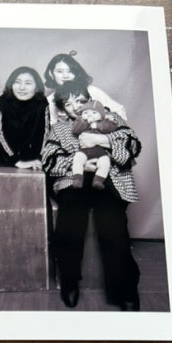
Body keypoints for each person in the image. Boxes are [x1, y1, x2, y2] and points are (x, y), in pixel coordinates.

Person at [41, 81, 142, 310]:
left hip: (108, 180)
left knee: (113, 223)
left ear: (89, 101)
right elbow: (49, 161)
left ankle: (124, 288)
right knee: (70, 219)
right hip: (74, 180)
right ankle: (69, 281)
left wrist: (102, 140)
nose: (76, 107)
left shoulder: (112, 120)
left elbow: (133, 146)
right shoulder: (60, 129)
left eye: (79, 100)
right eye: (68, 104)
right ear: (62, 110)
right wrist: (78, 164)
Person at [43, 51, 126, 126]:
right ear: (51, 73)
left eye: (70, 71)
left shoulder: (92, 91)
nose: (65, 76)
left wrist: (107, 131)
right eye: (59, 71)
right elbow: (51, 127)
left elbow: (119, 110)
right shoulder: (50, 100)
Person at [0, 66, 49, 169]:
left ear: (37, 87)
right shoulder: (2, 102)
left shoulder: (42, 103)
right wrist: (16, 162)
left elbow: (44, 134)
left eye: (28, 83)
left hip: (33, 160)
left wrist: (38, 160)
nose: (22, 88)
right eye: (17, 82)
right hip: (7, 159)